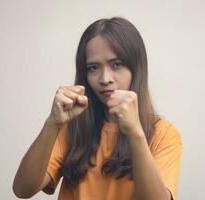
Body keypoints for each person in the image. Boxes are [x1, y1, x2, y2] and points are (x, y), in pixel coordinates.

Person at [13, 17, 182, 200]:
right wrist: (52, 123)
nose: (105, 79)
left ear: (136, 68)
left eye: (116, 65)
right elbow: (23, 190)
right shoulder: (72, 129)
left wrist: (135, 133)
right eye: (93, 68)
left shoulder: (164, 134)